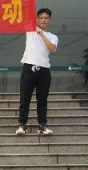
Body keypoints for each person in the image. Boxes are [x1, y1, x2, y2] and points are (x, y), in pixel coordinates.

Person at [17, 8, 58, 136]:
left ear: (49, 20)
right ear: (37, 19)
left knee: (42, 100)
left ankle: (42, 126)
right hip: (29, 67)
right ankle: (22, 125)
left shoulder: (53, 36)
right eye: (41, 18)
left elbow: (52, 48)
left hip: (44, 70)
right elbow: (23, 16)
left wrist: (41, 34)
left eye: (46, 18)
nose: (43, 20)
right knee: (25, 98)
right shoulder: (30, 30)